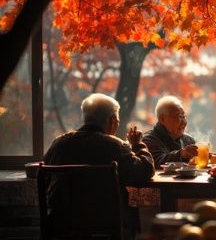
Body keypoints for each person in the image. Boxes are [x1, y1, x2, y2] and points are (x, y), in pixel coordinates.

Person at [43, 93, 155, 239]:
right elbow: (145, 170)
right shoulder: (116, 146)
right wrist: (137, 144)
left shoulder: (59, 144)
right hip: (106, 221)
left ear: (85, 118)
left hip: (61, 221)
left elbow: (43, 173)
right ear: (113, 120)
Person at [143, 95, 197, 168]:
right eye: (179, 116)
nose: (184, 122)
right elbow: (156, 162)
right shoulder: (148, 140)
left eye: (184, 116)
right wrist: (181, 154)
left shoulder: (188, 141)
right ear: (162, 119)